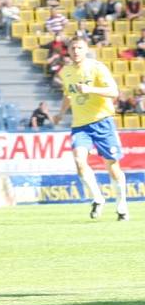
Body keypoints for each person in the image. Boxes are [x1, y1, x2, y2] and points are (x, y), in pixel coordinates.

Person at [53, 37, 129, 221]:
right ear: (68, 51)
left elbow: (114, 92)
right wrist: (61, 114)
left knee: (112, 166)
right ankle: (97, 198)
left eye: (79, 47)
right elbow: (68, 95)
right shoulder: (66, 72)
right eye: (72, 48)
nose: (76, 51)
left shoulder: (97, 67)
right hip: (80, 126)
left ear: (86, 49)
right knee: (79, 161)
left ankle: (122, 206)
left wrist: (90, 89)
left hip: (102, 121)